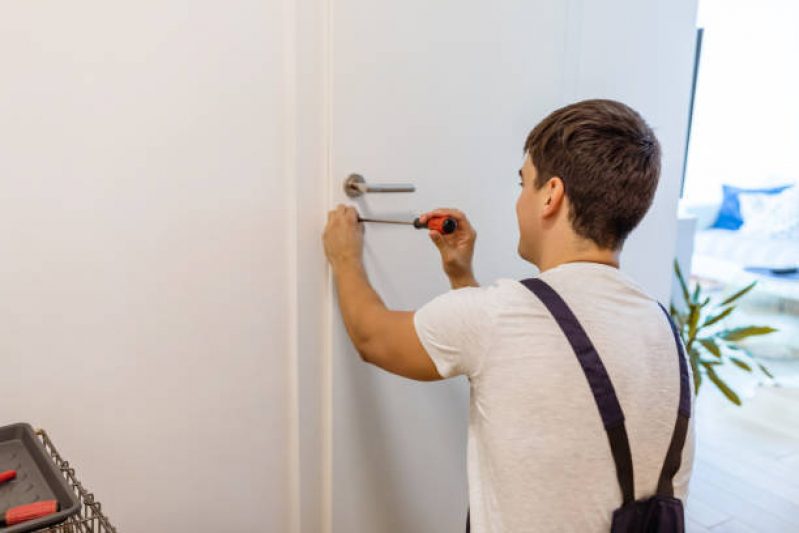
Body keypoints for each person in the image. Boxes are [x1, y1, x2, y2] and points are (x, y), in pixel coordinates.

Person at [322, 99, 695, 532]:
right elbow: (523, 372)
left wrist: (345, 257)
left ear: (551, 196)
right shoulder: (664, 331)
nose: (519, 201)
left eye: (524, 184)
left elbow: (373, 338)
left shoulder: (501, 317)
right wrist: (461, 275)